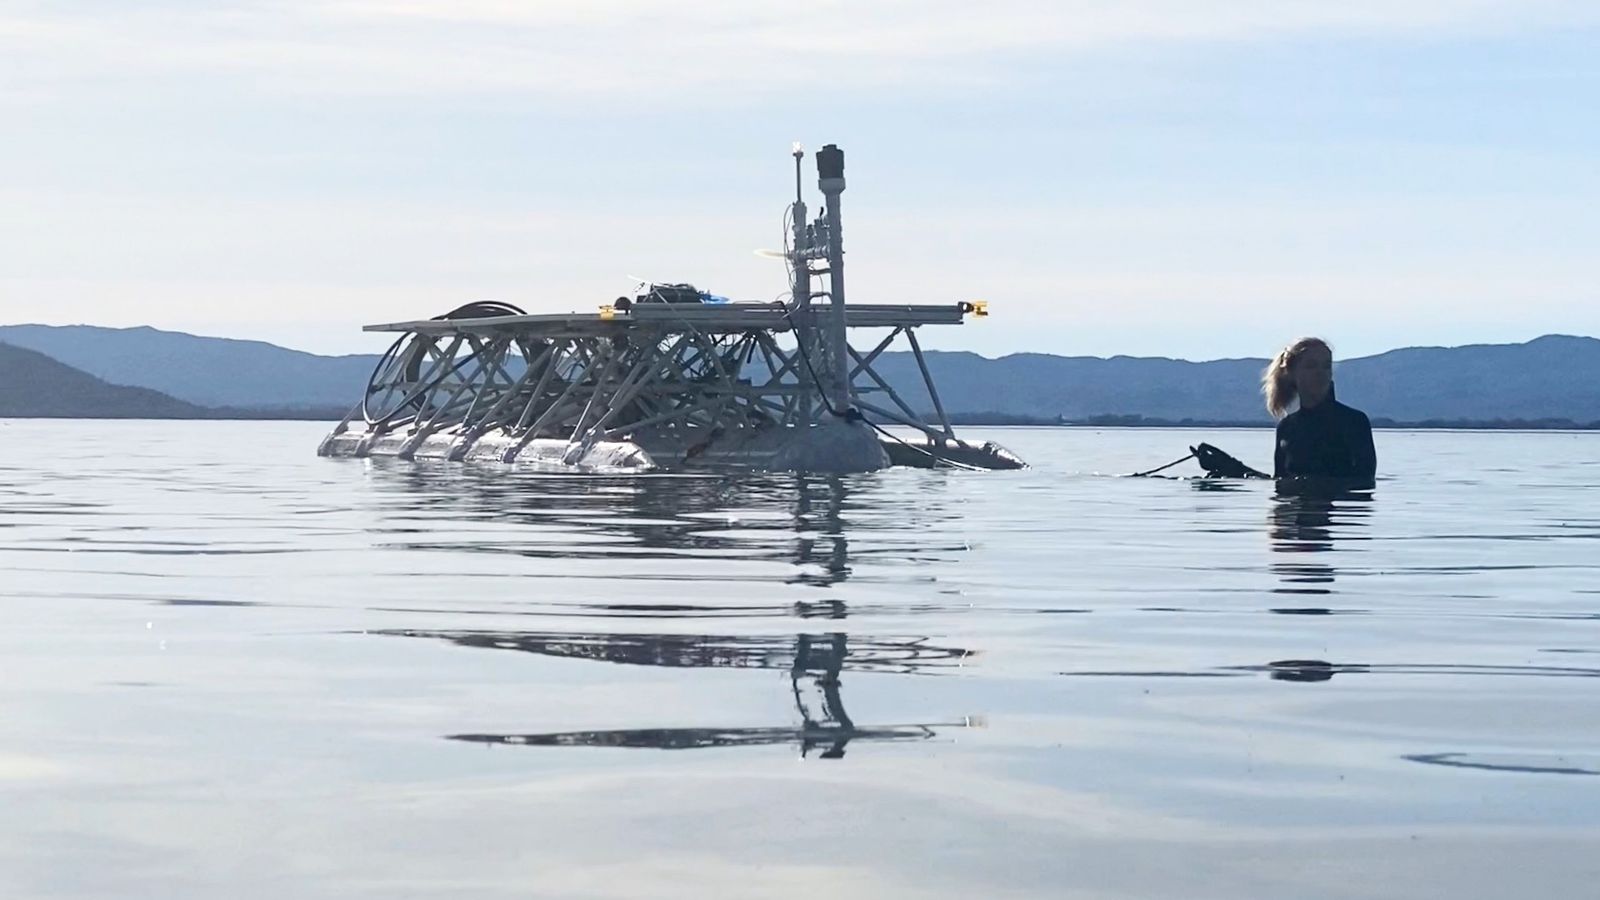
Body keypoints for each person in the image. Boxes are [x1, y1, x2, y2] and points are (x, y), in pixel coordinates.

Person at [1263, 337, 1376, 480]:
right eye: (1311, 366)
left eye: (1326, 366)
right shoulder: (1287, 428)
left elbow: (1366, 480)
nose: (1320, 373)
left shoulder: (1354, 422)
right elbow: (1280, 483)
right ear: (1291, 373)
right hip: (1298, 501)